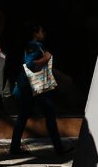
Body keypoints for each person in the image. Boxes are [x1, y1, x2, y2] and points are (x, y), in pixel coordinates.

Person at [10, 23, 68, 155]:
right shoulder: (34, 46)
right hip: (34, 87)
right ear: (35, 33)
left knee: (24, 116)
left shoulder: (36, 46)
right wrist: (46, 57)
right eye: (42, 31)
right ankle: (58, 148)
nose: (44, 34)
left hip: (31, 87)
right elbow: (30, 64)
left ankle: (14, 147)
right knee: (48, 115)